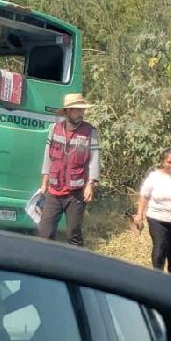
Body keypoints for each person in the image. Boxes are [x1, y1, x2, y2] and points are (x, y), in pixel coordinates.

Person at [37, 93, 100, 247]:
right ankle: (45, 265)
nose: (81, 113)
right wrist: (44, 183)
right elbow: (48, 157)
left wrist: (90, 184)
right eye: (77, 110)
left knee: (73, 234)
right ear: (67, 112)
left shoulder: (90, 132)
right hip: (54, 190)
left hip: (76, 193)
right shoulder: (54, 129)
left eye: (82, 110)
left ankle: (76, 265)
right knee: (45, 232)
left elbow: (94, 159)